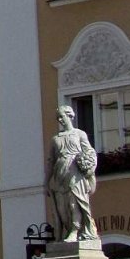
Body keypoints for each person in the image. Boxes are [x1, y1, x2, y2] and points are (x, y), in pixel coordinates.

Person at [45, 103, 98, 241]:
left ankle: (75, 231)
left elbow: (90, 153)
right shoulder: (55, 139)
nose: (60, 120)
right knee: (62, 208)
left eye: (62, 117)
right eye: (58, 118)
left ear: (70, 116)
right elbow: (51, 161)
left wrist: (89, 169)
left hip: (75, 174)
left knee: (74, 203)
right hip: (59, 174)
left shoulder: (80, 134)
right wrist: (46, 181)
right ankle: (69, 230)